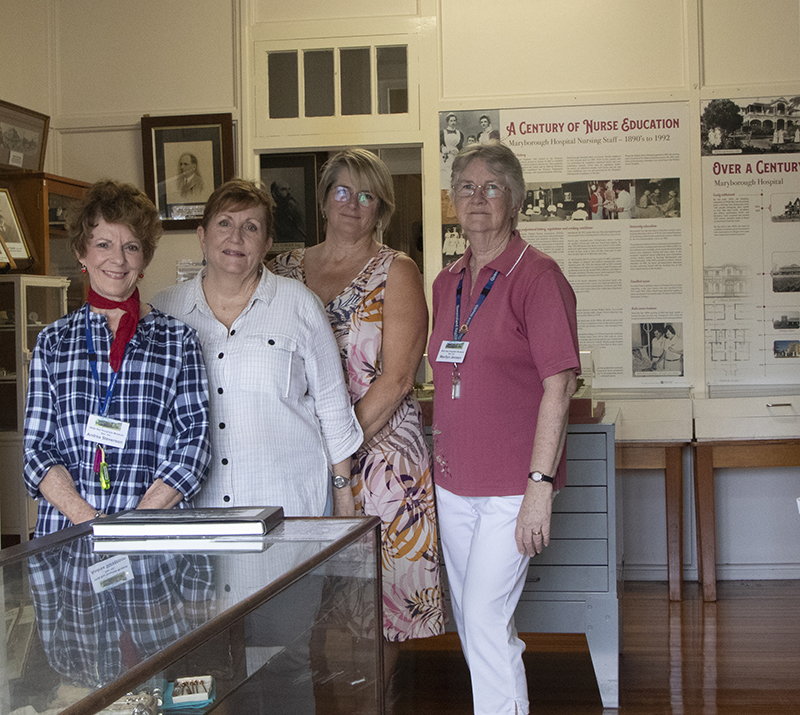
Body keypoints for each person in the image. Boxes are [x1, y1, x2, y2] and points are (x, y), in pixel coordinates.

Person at [271, 148, 445, 669]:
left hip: (381, 457)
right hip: (299, 455)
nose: (352, 203)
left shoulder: (398, 271)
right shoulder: (282, 269)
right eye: (342, 191)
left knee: (379, 602)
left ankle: (377, 703)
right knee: (301, 595)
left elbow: (394, 380)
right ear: (324, 199)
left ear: (381, 208)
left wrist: (333, 451)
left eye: (366, 195)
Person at [429, 140, 580, 715]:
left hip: (512, 488)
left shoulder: (537, 276)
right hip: (453, 483)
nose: (478, 197)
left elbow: (558, 384)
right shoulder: (447, 282)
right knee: (476, 620)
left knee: (486, 617)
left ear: (513, 201)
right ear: (452, 200)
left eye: (493, 186)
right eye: (466, 186)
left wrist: (538, 488)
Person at [153, 178, 362, 518]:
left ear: (266, 244)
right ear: (202, 236)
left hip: (289, 505)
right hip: (195, 512)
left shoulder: (299, 305)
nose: (236, 237)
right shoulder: (164, 309)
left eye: (250, 227)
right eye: (224, 223)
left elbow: (333, 408)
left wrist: (342, 496)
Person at [23, 180, 211, 537]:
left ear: (144, 258)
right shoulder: (52, 343)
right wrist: (91, 522)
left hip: (154, 539)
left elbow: (193, 446)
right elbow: (37, 451)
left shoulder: (178, 341)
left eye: (131, 246)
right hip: (68, 538)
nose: (118, 259)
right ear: (82, 252)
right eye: (104, 244)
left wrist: (134, 525)